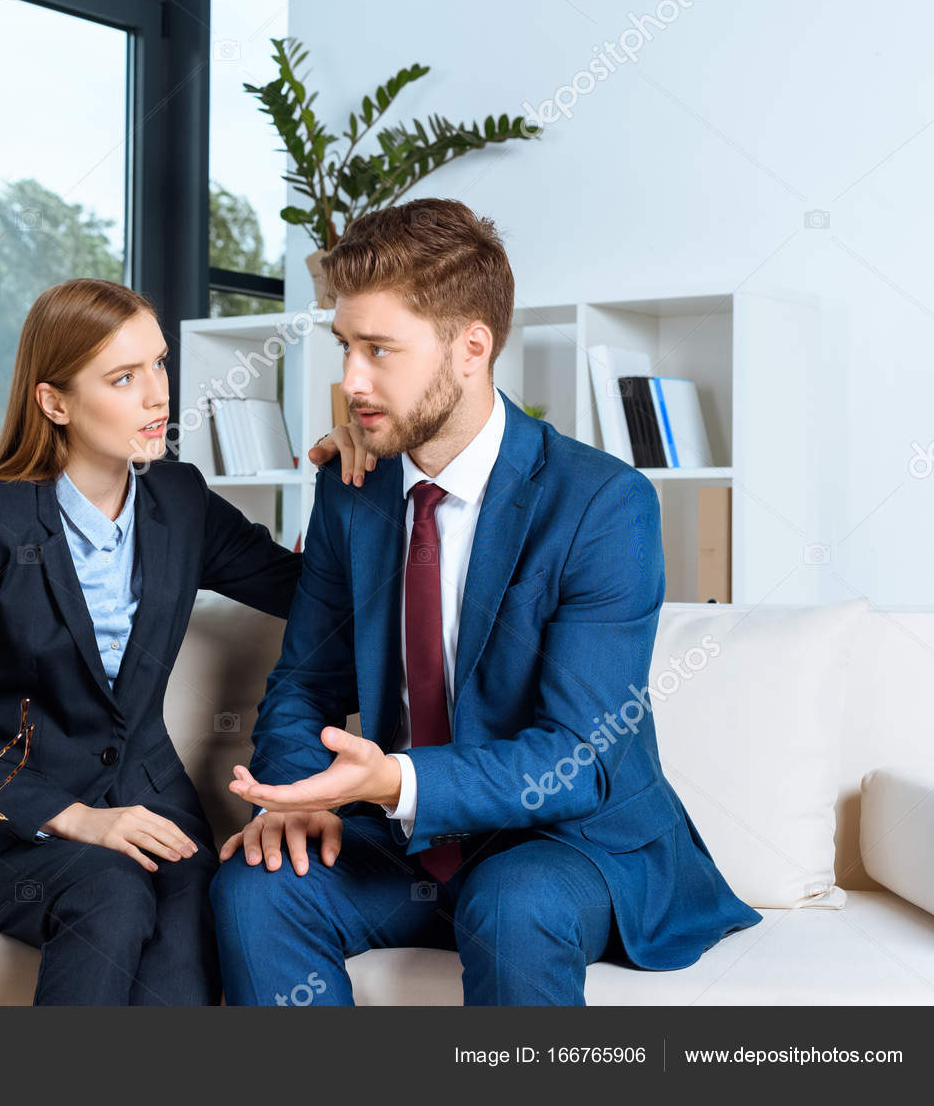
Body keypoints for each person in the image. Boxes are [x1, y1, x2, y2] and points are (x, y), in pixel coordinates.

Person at [210, 199, 760, 1006]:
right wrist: (297, 796)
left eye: (379, 350)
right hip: (405, 843)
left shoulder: (601, 503)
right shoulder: (352, 492)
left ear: (472, 346)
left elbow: (580, 755)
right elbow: (305, 681)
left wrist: (391, 779)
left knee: (516, 902)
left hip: (563, 842)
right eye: (345, 347)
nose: (350, 381)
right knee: (258, 888)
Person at [0, 277, 367, 1005]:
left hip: (151, 801)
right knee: (111, 892)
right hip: (7, 815)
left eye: (159, 365)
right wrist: (79, 819)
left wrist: (357, 474)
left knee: (186, 932)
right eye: (123, 377)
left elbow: (309, 591)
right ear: (55, 402)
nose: (157, 396)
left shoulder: (179, 499)